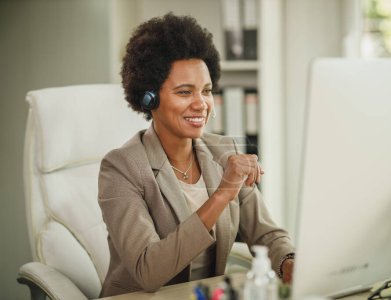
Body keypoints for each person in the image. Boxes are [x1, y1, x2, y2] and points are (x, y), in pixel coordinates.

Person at [98, 12, 295, 297]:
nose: (201, 104)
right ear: (149, 98)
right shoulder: (121, 167)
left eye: (206, 91)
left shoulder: (225, 152)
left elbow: (267, 234)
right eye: (184, 92)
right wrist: (221, 195)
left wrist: (289, 263)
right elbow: (148, 271)